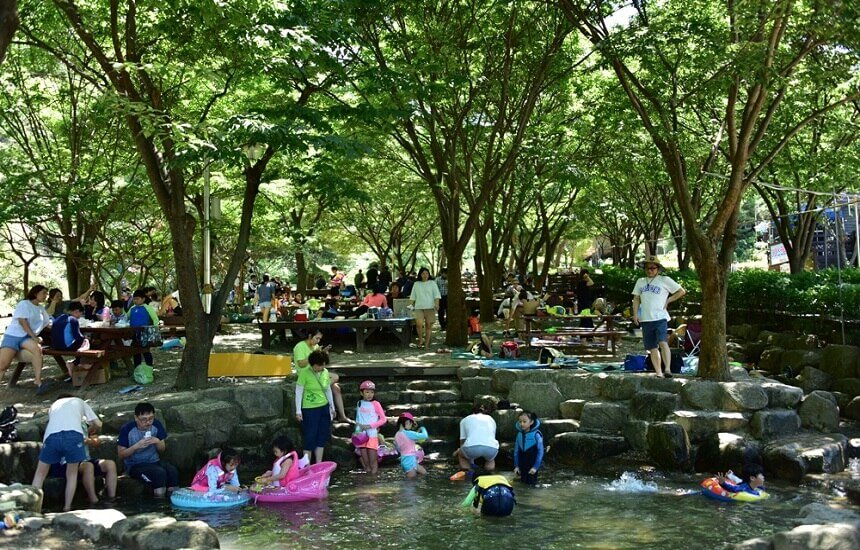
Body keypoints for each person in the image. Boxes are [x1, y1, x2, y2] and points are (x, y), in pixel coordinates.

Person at [31, 395, 102, 511]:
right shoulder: (79, 401)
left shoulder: (54, 405)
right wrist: (92, 429)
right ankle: (67, 507)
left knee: (40, 474)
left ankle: (32, 508)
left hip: (51, 436)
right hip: (73, 436)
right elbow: (98, 424)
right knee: (72, 474)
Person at [631, 255, 686, 378]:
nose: (650, 270)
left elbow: (681, 291)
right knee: (652, 347)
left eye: (653, 268)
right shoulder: (640, 281)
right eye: (647, 268)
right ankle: (658, 372)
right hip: (646, 319)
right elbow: (636, 299)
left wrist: (668, 300)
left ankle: (667, 369)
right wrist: (635, 315)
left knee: (663, 342)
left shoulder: (664, 280)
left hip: (660, 317)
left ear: (658, 269)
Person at [117, 402, 179, 498]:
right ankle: (160, 503)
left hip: (154, 461)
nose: (148, 422)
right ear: (136, 418)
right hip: (135, 465)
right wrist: (136, 446)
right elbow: (121, 454)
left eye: (151, 418)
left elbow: (162, 449)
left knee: (172, 471)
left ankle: (173, 501)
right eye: (144, 419)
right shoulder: (127, 429)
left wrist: (157, 441)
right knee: (159, 473)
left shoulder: (156, 425)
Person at [48, 426, 118, 506]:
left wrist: (91, 440)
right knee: (88, 466)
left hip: (85, 460)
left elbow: (96, 441)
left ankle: (111, 499)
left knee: (110, 464)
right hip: (66, 463)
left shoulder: (83, 424)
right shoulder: (61, 425)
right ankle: (94, 501)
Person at [0, 285, 52, 391]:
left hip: (26, 338)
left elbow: (48, 323)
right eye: (43, 293)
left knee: (37, 349)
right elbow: (22, 321)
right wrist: (34, 337)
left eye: (46, 294)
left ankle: (38, 381)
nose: (45, 296)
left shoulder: (41, 309)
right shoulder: (24, 304)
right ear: (35, 293)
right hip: (13, 336)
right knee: (3, 365)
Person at [292, 330, 352, 423]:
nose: (318, 341)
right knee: (334, 378)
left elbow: (319, 361)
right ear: (310, 336)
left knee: (336, 388)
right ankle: (322, 390)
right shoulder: (300, 346)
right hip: (306, 373)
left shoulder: (315, 346)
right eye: (317, 338)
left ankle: (342, 416)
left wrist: (322, 353)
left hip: (318, 373)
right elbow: (301, 364)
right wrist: (314, 355)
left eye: (320, 339)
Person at [295, 350, 335, 464]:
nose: (322, 368)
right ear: (313, 364)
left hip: (324, 407)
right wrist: (298, 411)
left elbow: (327, 389)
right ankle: (307, 465)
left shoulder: (325, 372)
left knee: (321, 436)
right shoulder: (304, 373)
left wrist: (332, 407)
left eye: (323, 365)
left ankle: (319, 463)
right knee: (310, 436)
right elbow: (299, 391)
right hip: (310, 409)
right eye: (319, 365)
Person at [354, 380, 387, 475]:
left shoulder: (376, 404)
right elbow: (358, 419)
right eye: (367, 392)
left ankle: (374, 479)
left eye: (372, 392)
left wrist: (369, 426)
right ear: (361, 393)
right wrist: (356, 431)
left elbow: (383, 419)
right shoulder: (359, 403)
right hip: (361, 436)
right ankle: (368, 479)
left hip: (372, 435)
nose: (370, 394)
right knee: (366, 463)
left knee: (373, 462)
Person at [50, 302, 90, 378]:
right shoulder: (73, 320)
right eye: (80, 313)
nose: (80, 316)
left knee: (81, 342)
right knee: (86, 342)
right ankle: (77, 363)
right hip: (66, 347)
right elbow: (78, 336)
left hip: (56, 346)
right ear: (77, 311)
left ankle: (78, 363)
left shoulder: (59, 317)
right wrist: (85, 338)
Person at [457, 403, 499, 473]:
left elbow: (462, 442)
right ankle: (489, 471)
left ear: (473, 412)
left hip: (471, 448)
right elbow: (492, 438)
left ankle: (468, 471)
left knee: (461, 454)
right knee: (490, 459)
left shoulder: (464, 420)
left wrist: (459, 451)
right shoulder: (491, 419)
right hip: (491, 448)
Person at [411, 267, 441, 350]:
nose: (425, 275)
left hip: (430, 307)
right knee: (419, 324)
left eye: (427, 273)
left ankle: (427, 344)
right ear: (420, 275)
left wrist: (437, 305)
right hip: (419, 307)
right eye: (423, 273)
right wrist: (410, 305)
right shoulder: (416, 284)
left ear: (429, 274)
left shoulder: (432, 283)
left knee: (428, 325)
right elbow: (413, 296)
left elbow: (436, 295)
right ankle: (420, 340)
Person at [129, 289, 159, 372]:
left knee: (146, 351)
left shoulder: (147, 307)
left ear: (143, 299)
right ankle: (137, 369)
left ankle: (150, 368)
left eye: (137, 299)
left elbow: (155, 318)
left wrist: (155, 329)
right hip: (134, 333)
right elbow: (126, 317)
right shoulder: (132, 308)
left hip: (144, 333)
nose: (135, 301)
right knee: (136, 352)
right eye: (134, 299)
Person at [513, 410, 544, 485]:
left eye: (524, 421)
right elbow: (516, 451)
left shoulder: (536, 435)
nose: (522, 424)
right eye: (520, 421)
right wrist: (516, 466)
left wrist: (535, 467)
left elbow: (540, 452)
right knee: (523, 483)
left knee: (532, 485)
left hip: (532, 464)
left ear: (531, 422)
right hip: (522, 464)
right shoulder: (519, 435)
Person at [394, 412, 428, 479]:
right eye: (411, 424)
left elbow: (398, 449)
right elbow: (425, 436)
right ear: (407, 422)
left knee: (423, 472)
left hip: (405, 459)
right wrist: (423, 428)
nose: (411, 427)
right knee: (411, 481)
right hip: (410, 460)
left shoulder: (396, 435)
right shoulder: (408, 433)